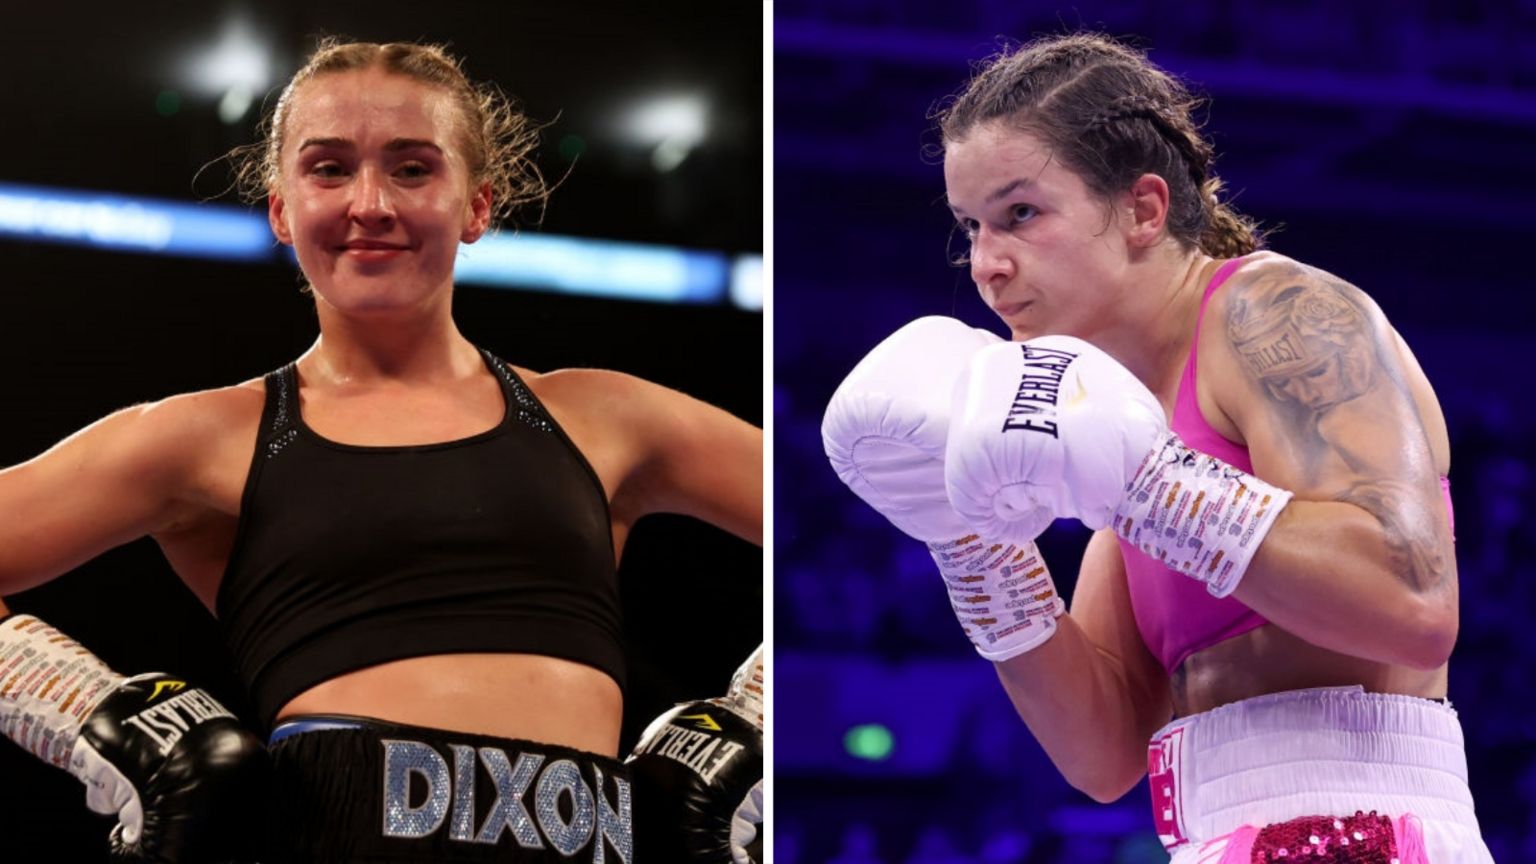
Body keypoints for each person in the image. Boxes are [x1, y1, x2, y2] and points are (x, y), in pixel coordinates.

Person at [0, 39, 762, 862]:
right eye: (329, 168)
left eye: (411, 169)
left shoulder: (606, 417)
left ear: (476, 205)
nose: (370, 203)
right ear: (282, 209)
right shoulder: (202, 437)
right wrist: (97, 719)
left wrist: (750, 727)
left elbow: (891, 506)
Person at [823, 32, 1490, 863]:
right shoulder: (1119, 415)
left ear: (1142, 209)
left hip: (1360, 828)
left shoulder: (1275, 312)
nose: (987, 265)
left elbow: (1415, 601)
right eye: (972, 227)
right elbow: (1101, 755)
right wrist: (974, 549)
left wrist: (1158, 488)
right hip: (1212, 835)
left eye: (1020, 214)